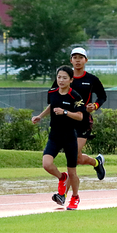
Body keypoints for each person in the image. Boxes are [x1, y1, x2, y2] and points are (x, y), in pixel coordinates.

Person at [51, 47, 107, 190]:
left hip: (83, 121)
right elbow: (53, 96)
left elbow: (102, 96)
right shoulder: (63, 78)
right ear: (71, 60)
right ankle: (96, 162)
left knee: (73, 156)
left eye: (80, 57)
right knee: (76, 158)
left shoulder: (91, 79)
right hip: (66, 124)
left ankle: (63, 194)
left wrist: (94, 105)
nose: (77, 60)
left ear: (85, 60)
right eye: (74, 57)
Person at [32, 65, 85, 210]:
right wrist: (40, 116)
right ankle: (62, 178)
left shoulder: (75, 96)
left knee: (73, 172)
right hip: (54, 135)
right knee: (46, 164)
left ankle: (75, 197)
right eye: (59, 77)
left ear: (71, 80)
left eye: (64, 78)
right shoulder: (52, 92)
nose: (61, 80)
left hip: (69, 137)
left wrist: (65, 112)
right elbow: (51, 106)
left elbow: (80, 116)